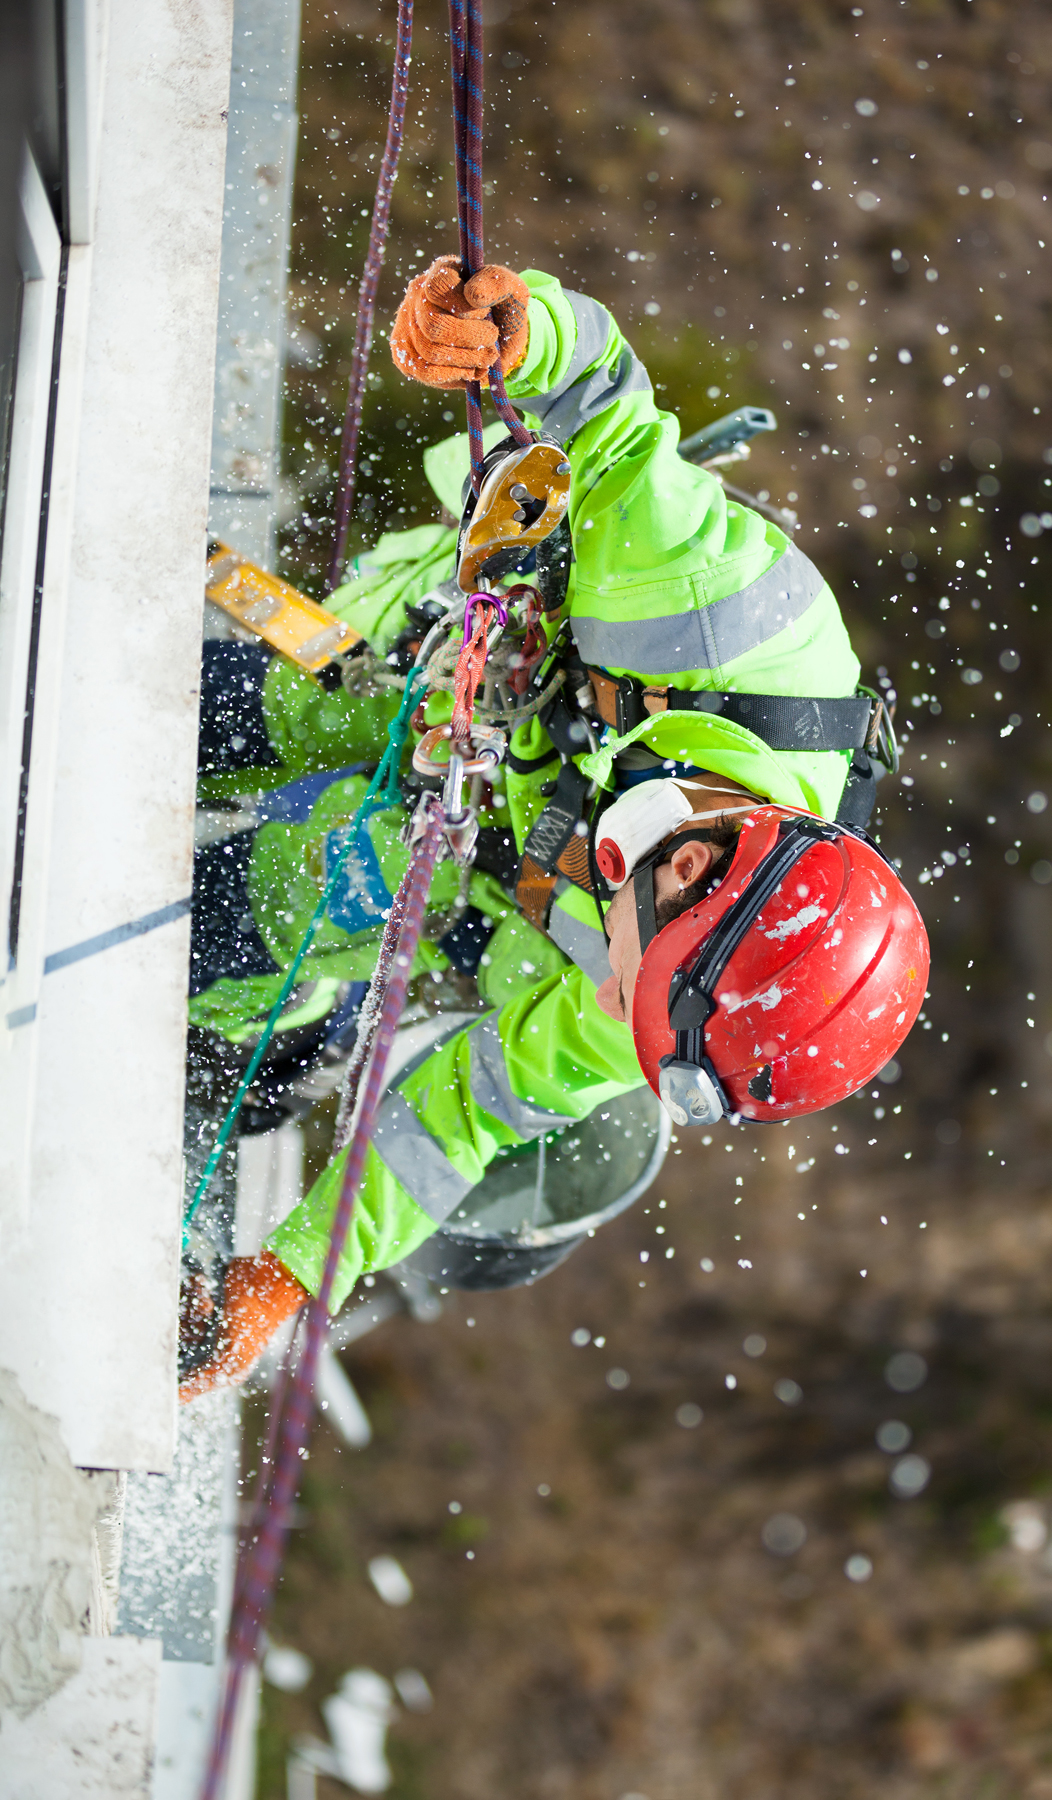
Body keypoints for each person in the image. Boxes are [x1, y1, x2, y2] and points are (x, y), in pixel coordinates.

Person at [180, 258, 928, 1399]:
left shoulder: (665, 1003)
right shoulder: (715, 614)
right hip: (500, 653)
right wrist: (516, 333)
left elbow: (464, 1116)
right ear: (689, 866)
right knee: (275, 709)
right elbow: (609, 410)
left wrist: (288, 1280)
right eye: (629, 968)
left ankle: (242, 1026)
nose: (610, 999)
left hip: (502, 843)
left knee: (316, 885)